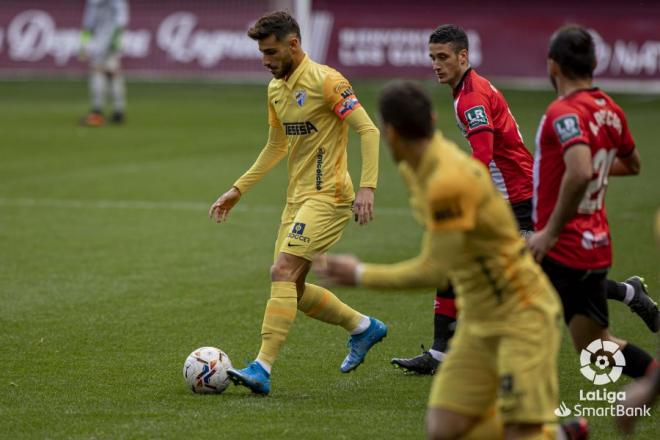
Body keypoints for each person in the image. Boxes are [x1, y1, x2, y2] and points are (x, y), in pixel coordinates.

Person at [393, 24, 658, 376]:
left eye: (443, 57)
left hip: (519, 200)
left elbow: (483, 154)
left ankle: (628, 295)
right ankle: (442, 353)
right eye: (432, 58)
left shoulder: (472, 96)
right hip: (514, 196)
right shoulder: (472, 89)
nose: (436, 65)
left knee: (547, 279)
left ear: (463, 57)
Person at [315, 80, 565, 440]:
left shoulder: (447, 179)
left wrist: (358, 273)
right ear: (433, 118)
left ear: (389, 132)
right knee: (444, 427)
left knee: (520, 432)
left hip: (519, 314)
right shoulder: (414, 167)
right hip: (478, 319)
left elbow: (436, 269)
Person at [208, 11, 386, 396]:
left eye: (271, 52)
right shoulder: (275, 90)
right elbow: (276, 145)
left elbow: (368, 131)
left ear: (293, 44)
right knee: (296, 289)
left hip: (331, 197)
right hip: (297, 200)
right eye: (261, 53)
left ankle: (262, 367)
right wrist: (239, 188)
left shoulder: (328, 82)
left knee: (282, 271)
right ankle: (363, 327)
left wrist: (367, 188)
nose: (265, 60)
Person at [528, 25, 658, 383]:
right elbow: (632, 165)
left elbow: (582, 169)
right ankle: (654, 376)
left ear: (553, 66)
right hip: (595, 244)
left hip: (563, 247)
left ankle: (520, 413)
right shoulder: (611, 110)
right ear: (596, 62)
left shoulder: (564, 112)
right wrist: (592, 171)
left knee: (499, 310)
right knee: (593, 346)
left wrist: (549, 232)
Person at [79, 0, 128, 126]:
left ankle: (97, 112)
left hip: (106, 40)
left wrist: (84, 44)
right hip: (104, 40)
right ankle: (118, 112)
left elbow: (88, 23)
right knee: (112, 73)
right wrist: (84, 44)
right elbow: (88, 24)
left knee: (98, 72)